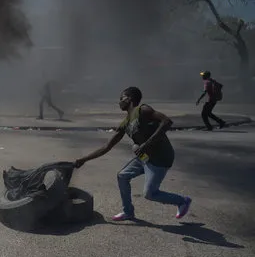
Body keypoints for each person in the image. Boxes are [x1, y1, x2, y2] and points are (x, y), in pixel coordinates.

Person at [74, 86, 191, 221]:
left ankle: (182, 201)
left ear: (129, 98)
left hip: (160, 158)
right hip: (144, 158)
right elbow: (107, 147)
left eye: (121, 98)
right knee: (122, 176)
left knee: (150, 194)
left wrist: (146, 144)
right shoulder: (126, 122)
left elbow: (167, 121)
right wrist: (83, 159)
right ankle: (128, 211)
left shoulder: (143, 110)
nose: (119, 102)